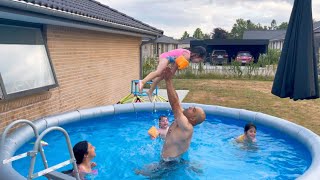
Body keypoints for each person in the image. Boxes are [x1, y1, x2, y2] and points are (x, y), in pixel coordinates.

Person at [161, 67, 206, 161]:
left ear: (193, 118)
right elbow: (176, 100)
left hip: (170, 163)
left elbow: (174, 104)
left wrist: (168, 80)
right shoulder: (184, 118)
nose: (190, 107)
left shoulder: (186, 125)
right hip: (174, 160)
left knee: (143, 174)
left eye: (193, 110)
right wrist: (173, 71)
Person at [138, 46, 206, 101]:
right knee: (158, 72)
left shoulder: (187, 57)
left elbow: (176, 63)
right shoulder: (187, 55)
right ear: (196, 55)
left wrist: (171, 73)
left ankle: (150, 91)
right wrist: (172, 73)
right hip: (166, 57)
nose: (198, 62)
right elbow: (176, 64)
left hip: (169, 59)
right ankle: (142, 82)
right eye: (199, 60)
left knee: (160, 77)